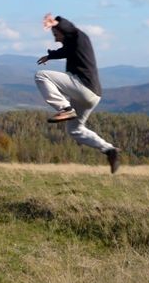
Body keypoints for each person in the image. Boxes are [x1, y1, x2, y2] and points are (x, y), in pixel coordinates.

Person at [35, 13, 121, 173]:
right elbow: (65, 51)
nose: (55, 39)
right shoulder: (75, 45)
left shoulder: (78, 36)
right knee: (74, 130)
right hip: (93, 96)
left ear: (62, 30)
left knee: (41, 75)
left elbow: (71, 29)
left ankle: (65, 109)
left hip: (83, 87)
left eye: (56, 34)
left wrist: (57, 22)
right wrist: (51, 55)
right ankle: (110, 150)